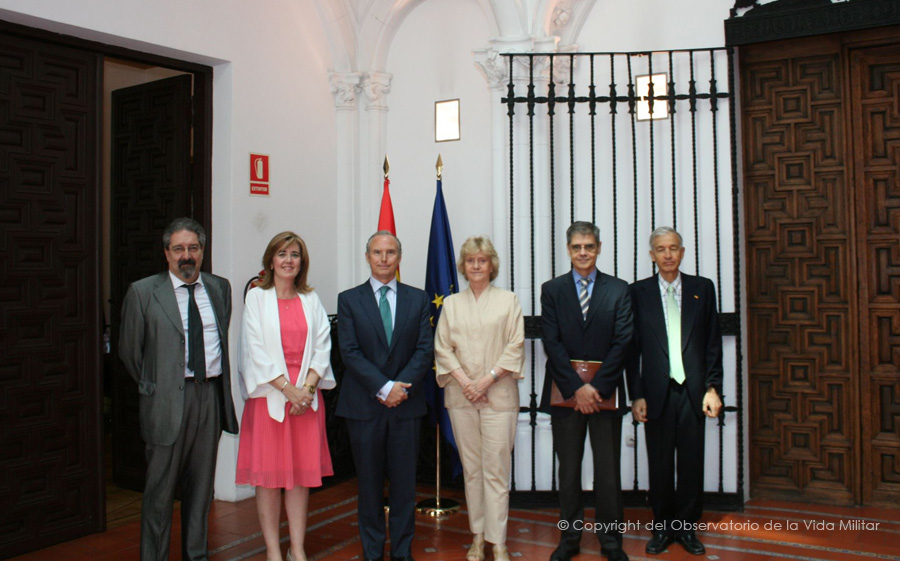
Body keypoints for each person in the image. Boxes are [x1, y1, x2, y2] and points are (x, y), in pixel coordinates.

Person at [118, 217, 239, 561]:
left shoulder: (220, 288)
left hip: (209, 397)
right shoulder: (143, 292)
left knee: (201, 492)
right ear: (166, 253)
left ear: (202, 251)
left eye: (193, 248)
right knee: (159, 494)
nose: (186, 255)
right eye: (178, 249)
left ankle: (196, 555)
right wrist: (158, 385)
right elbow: (129, 351)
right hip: (167, 402)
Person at [237, 232, 336, 561]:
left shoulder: (311, 299)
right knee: (268, 480)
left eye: (295, 254)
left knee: (299, 479)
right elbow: (255, 350)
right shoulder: (256, 298)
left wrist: (306, 389)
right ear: (270, 260)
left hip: (305, 403)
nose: (288, 260)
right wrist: (288, 389)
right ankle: (273, 552)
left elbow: (323, 345)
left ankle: (297, 548)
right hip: (270, 400)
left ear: (301, 262)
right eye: (282, 254)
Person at [336, 231, 433, 561]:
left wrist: (399, 387)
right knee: (370, 486)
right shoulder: (349, 299)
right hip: (364, 406)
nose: (383, 258)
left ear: (399, 258)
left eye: (390, 252)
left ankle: (403, 552)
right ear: (367, 257)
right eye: (377, 252)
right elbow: (349, 352)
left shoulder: (418, 299)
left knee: (405, 486)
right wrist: (383, 387)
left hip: (406, 405)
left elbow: (424, 350)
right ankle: (373, 552)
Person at [539, 221, 633, 561]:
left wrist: (597, 387)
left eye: (589, 246)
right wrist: (576, 389)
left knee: (608, 473)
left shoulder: (619, 289)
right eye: (577, 247)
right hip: (566, 396)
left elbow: (623, 341)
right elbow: (551, 341)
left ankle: (611, 542)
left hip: (605, 393)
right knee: (569, 473)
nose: (583, 252)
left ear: (599, 248)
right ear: (568, 249)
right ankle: (569, 541)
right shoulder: (552, 290)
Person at [626, 226, 723, 556]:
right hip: (656, 392)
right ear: (651, 255)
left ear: (683, 252)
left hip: (694, 391)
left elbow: (712, 344)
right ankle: (663, 527)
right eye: (661, 249)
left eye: (673, 248)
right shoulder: (637, 293)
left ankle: (687, 528)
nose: (668, 255)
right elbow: (632, 348)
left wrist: (713, 388)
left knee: (692, 463)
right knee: (660, 464)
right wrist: (636, 394)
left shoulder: (702, 289)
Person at [434, 236, 525, 561]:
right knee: (472, 470)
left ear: (491, 265)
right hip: (461, 398)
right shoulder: (451, 304)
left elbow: (515, 344)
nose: (476, 266)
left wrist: (486, 380)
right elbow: (443, 348)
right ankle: (476, 537)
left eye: (482, 260)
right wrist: (465, 382)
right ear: (463, 266)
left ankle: (497, 542)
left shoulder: (508, 300)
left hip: (498, 396)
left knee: (496, 471)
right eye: (470, 260)